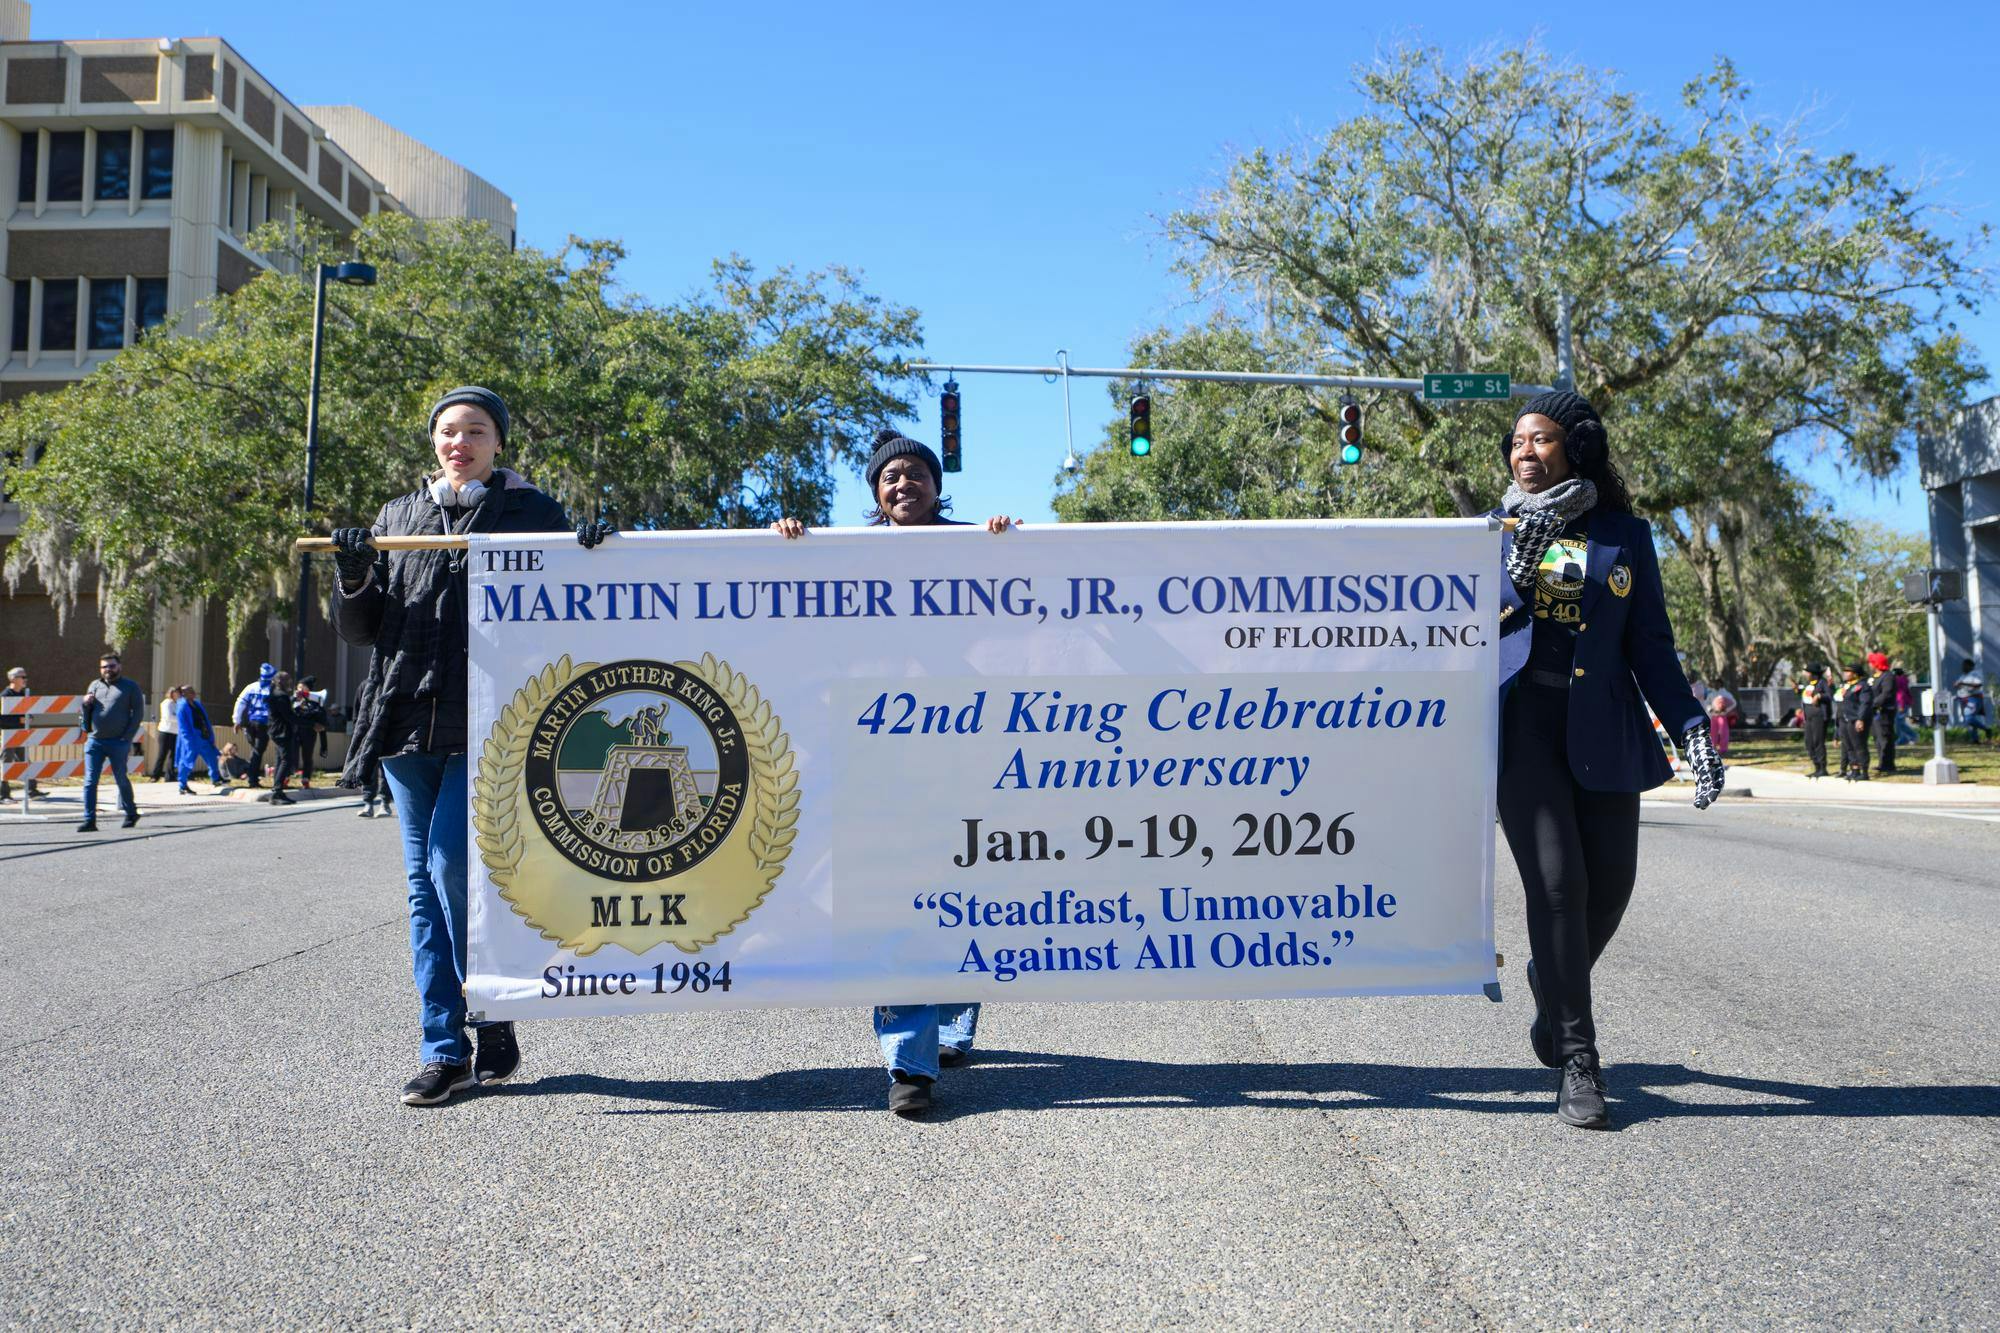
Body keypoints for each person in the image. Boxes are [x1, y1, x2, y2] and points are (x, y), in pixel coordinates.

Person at [332, 386, 604, 1107]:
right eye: (449, 431)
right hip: (400, 719)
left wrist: (593, 548)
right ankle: (445, 1046)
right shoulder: (398, 516)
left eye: (476, 431)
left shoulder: (532, 513)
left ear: (497, 444)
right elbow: (363, 628)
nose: (461, 442)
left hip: (492, 721)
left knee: (450, 866)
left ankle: (487, 1007)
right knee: (422, 887)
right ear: (434, 442)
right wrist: (354, 573)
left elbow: (581, 600)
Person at [1493, 391, 1722, 1131]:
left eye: (1543, 440)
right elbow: (1458, 632)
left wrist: (1689, 724)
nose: (1527, 453)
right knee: (1559, 889)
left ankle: (1552, 983)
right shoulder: (1487, 536)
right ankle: (1578, 1058)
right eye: (1519, 442)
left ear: (1577, 447)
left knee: (1610, 890)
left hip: (1605, 729)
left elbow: (1649, 644)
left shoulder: (1624, 535)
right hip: (1523, 728)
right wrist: (1512, 579)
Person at [775, 426, 1018, 1117]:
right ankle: (911, 1062)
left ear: (938, 487)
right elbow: (781, 603)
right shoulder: (844, 553)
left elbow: (1035, 599)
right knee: (897, 892)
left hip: (967, 742)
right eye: (889, 478)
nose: (903, 483)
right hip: (877, 749)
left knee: (967, 882)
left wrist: (1006, 541)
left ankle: (951, 1020)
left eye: (915, 473)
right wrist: (787, 540)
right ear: (876, 496)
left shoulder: (972, 544)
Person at [78, 651, 145, 833]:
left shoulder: (130, 687)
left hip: (118, 742)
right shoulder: (94, 685)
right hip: (95, 741)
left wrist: (127, 737)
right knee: (90, 781)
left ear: (119, 667)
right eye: (104, 666)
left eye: (112, 665)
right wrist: (85, 704)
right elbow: (87, 712)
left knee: (120, 778)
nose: (108, 669)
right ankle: (89, 820)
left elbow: (138, 713)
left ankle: (131, 812)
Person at [175, 684, 228, 793]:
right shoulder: (182, 707)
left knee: (212, 757)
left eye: (193, 690)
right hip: (191, 739)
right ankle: (182, 784)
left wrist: (211, 736)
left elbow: (205, 720)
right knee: (187, 761)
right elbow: (183, 726)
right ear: (184, 694)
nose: (193, 692)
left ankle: (216, 778)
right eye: (190, 691)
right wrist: (188, 742)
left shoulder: (197, 704)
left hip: (203, 736)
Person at [232, 663, 276, 788]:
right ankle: (252, 779)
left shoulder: (251, 687)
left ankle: (252, 776)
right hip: (263, 724)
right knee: (257, 752)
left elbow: (240, 702)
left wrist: (237, 720)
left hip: (250, 724)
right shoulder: (272, 689)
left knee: (255, 750)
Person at [0, 665, 37, 803]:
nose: (25, 679)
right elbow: (1, 718)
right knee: (6, 764)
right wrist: (19, 719)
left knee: (26, 761)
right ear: (13, 679)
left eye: (25, 676)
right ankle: (3, 795)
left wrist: (30, 717)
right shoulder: (5, 696)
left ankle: (32, 790)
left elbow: (28, 711)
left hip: (21, 735)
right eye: (23, 677)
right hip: (8, 736)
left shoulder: (23, 694)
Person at [1836, 663, 1874, 781]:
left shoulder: (1863, 686)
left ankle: (1864, 771)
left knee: (1859, 746)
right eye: (1845, 671)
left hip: (1857, 720)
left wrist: (1860, 719)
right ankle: (1855, 770)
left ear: (1856, 674)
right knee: (1849, 746)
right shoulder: (1847, 686)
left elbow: (1865, 704)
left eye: (1848, 671)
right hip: (1847, 720)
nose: (1845, 673)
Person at [292, 677, 329, 789]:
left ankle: (306, 779)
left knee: (307, 757)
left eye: (302, 686)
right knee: (291, 755)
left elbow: (321, 721)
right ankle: (287, 776)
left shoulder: (315, 703)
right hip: (295, 732)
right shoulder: (294, 700)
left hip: (309, 734)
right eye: (298, 686)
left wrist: (324, 745)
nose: (299, 689)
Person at [1866, 650, 1898, 776]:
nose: (1869, 664)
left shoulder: (1888, 676)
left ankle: (1888, 764)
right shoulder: (1874, 677)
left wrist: (1873, 704)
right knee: (1877, 738)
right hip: (1874, 713)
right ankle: (1881, 762)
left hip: (1884, 712)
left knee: (1885, 737)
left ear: (1877, 663)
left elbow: (1886, 694)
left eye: (1871, 662)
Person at [1798, 671, 1830, 778]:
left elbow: (1829, 695)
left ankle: (1822, 768)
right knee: (1809, 742)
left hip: (1819, 717)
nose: (1805, 674)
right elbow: (1805, 696)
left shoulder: (1822, 683)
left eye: (1807, 672)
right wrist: (1797, 689)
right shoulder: (1809, 684)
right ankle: (1816, 766)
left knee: (1818, 741)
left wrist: (1819, 696)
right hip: (1808, 718)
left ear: (1813, 673)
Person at [1952, 658, 1990, 744]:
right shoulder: (1963, 675)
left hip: (1974, 698)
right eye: (1963, 666)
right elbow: (1959, 685)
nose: (1963, 667)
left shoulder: (1975, 674)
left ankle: (1987, 729)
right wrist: (1957, 685)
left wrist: (1962, 684)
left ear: (1970, 666)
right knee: (1970, 719)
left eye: (1965, 665)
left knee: (1969, 718)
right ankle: (1975, 739)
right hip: (1964, 699)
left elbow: (1978, 684)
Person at [149, 685, 182, 781]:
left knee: (173, 755)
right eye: (175, 692)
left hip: (176, 733)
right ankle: (155, 776)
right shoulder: (166, 703)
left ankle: (170, 776)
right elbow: (169, 717)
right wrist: (182, 720)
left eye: (178, 692)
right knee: (162, 754)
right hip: (165, 732)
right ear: (171, 693)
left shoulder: (179, 704)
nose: (177, 694)